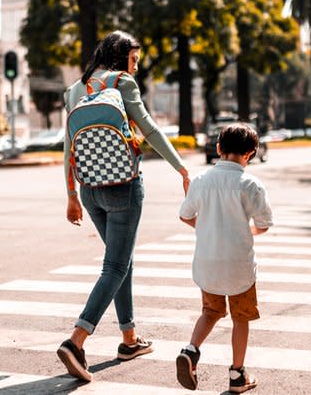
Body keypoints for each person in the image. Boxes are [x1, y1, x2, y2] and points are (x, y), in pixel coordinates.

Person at [57, 30, 190, 382]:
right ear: (120, 57)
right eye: (134, 58)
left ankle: (129, 339)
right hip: (123, 187)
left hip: (89, 190)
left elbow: (69, 148)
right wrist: (181, 167)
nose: (136, 64)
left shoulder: (76, 89)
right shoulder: (122, 83)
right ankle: (76, 341)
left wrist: (71, 196)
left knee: (121, 260)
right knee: (115, 265)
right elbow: (148, 129)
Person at [176, 123, 273, 393]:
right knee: (240, 318)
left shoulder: (200, 181)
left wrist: (207, 227)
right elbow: (264, 223)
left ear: (218, 148)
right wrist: (247, 230)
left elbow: (186, 215)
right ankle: (237, 374)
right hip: (238, 265)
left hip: (208, 262)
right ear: (251, 153)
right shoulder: (251, 184)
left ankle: (191, 349)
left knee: (210, 312)